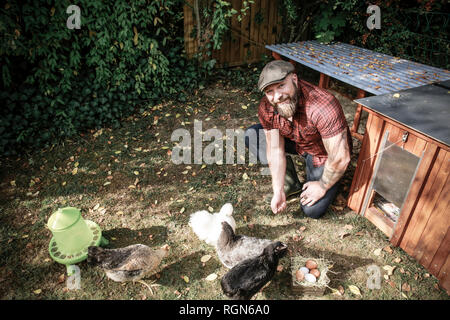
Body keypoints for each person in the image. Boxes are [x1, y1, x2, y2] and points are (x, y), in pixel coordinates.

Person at [245, 60, 352, 219]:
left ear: (294, 79)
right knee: (252, 135)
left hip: (323, 153)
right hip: (299, 142)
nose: (277, 96)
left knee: (312, 210)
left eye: (281, 86)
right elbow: (275, 150)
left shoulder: (322, 105)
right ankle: (291, 183)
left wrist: (322, 186)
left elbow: (340, 157)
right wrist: (278, 190)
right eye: (269, 91)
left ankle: (324, 178)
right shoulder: (267, 107)